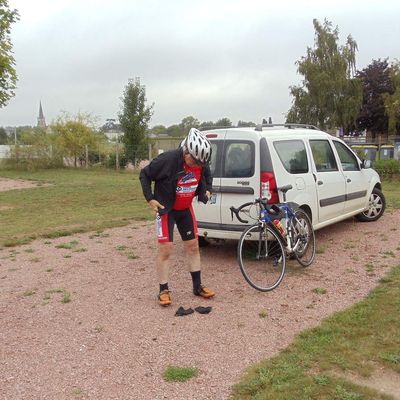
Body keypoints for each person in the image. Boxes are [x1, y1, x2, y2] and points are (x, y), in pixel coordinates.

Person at [139, 128, 215, 307]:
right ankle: (163, 290)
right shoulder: (168, 160)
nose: (198, 166)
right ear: (187, 152)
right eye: (195, 162)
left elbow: (206, 173)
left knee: (193, 246)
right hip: (167, 209)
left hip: (185, 209)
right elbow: (145, 174)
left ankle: (197, 287)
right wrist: (150, 199)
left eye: (201, 163)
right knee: (166, 250)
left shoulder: (200, 162)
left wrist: (207, 189)